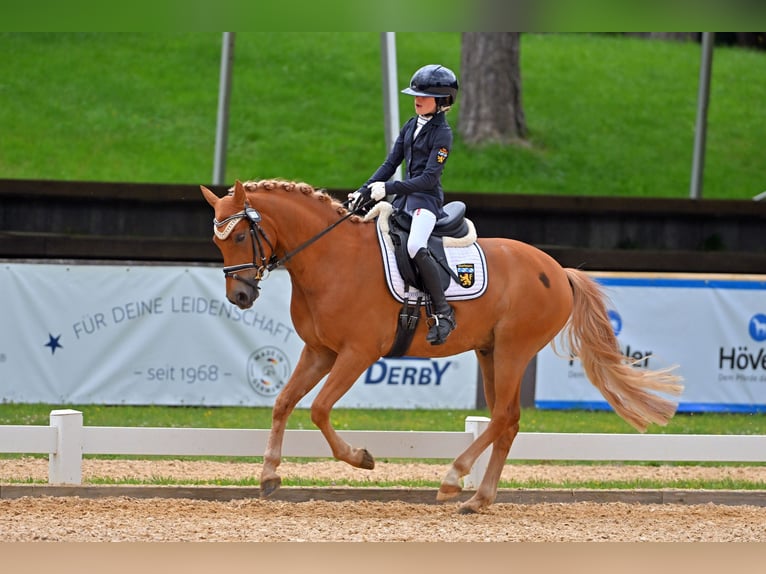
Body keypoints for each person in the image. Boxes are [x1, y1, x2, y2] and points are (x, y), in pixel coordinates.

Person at [350, 64, 459, 345]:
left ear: (442, 101)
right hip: (405, 199)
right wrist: (364, 190)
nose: (417, 99)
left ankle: (444, 312)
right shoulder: (411, 125)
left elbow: (427, 178)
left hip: (426, 201)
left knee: (414, 246)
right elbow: (391, 163)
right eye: (415, 94)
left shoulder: (442, 134)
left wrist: (387, 188)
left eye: (424, 96)